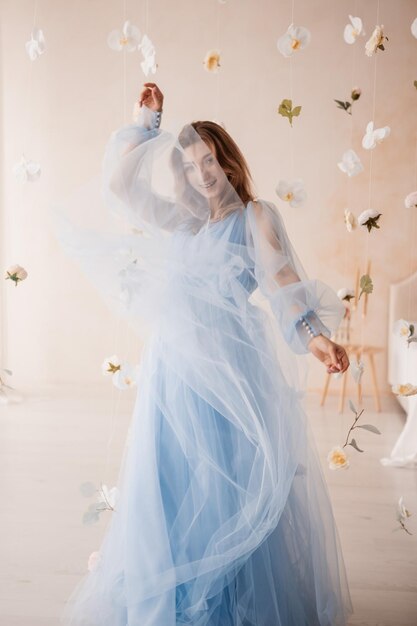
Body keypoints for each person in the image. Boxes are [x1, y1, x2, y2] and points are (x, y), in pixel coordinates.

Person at [58, 81, 353, 625]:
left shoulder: (255, 217)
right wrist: (147, 122)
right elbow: (121, 188)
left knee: (225, 489)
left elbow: (283, 281)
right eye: (191, 166)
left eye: (210, 161)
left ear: (228, 162)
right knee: (169, 483)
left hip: (231, 375)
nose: (203, 174)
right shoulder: (184, 221)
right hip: (172, 376)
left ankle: (234, 607)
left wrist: (315, 337)